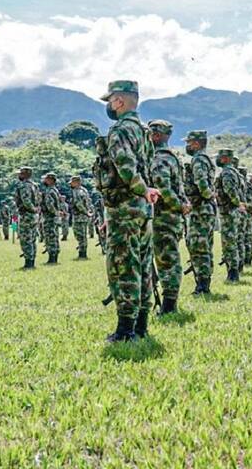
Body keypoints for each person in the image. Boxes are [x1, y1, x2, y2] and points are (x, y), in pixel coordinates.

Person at [95, 80, 160, 342]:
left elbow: (125, 167)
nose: (110, 106)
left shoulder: (120, 130)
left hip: (126, 206)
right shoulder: (143, 131)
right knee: (143, 265)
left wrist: (141, 190)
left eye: (111, 100)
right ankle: (141, 326)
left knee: (123, 267)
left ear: (119, 101)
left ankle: (125, 331)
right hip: (141, 210)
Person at [148, 119, 189, 314]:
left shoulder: (159, 158)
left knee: (166, 259)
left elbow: (162, 188)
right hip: (172, 217)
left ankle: (169, 306)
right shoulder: (173, 157)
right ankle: (169, 302)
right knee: (169, 257)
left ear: (156, 135)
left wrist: (179, 205)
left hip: (163, 216)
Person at [182, 130, 216, 295]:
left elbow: (201, 183)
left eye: (189, 142)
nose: (187, 145)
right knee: (205, 246)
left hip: (201, 208)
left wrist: (208, 196)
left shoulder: (198, 160)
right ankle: (204, 282)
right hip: (206, 207)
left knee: (198, 246)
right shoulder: (206, 159)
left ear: (196, 143)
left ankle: (202, 286)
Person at [215, 149, 245, 282]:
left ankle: (233, 274)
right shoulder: (234, 172)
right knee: (232, 241)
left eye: (220, 157)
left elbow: (230, 191)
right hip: (232, 211)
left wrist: (237, 203)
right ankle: (233, 271)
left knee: (229, 243)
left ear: (225, 158)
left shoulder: (227, 172)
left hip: (228, 211)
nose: (218, 159)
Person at [13, 167, 40, 269]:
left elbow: (26, 201)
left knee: (26, 239)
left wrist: (32, 209)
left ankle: (28, 263)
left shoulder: (23, 186)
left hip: (26, 215)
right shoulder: (34, 185)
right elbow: (38, 199)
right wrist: (36, 210)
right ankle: (32, 261)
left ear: (24, 175)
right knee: (32, 239)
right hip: (33, 216)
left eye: (20, 174)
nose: (18, 176)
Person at [40, 172, 62, 265]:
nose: (44, 181)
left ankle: (52, 258)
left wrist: (55, 212)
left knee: (50, 237)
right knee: (54, 236)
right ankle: (54, 256)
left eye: (45, 179)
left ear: (50, 180)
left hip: (50, 217)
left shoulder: (49, 190)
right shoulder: (55, 190)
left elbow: (49, 205)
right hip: (54, 217)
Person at [70, 176, 92, 260]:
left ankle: (82, 253)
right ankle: (83, 252)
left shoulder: (76, 191)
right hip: (84, 216)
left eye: (72, 182)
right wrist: (88, 212)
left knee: (80, 235)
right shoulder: (84, 190)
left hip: (79, 216)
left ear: (77, 182)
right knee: (82, 235)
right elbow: (88, 202)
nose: (71, 184)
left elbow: (78, 204)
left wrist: (86, 212)